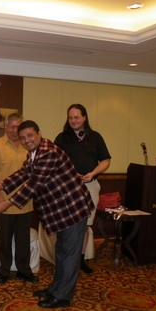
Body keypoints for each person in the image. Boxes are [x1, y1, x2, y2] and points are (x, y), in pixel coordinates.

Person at [0, 120, 94, 309]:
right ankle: (55, 289)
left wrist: (6, 203)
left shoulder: (49, 153)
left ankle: (63, 296)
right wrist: (0, 185)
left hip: (73, 209)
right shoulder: (33, 154)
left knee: (68, 254)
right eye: (22, 138)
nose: (27, 140)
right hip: (62, 211)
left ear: (39, 133)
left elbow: (33, 184)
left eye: (30, 135)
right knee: (61, 252)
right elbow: (23, 173)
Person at [54, 104, 111, 273]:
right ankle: (65, 259)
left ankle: (80, 259)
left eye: (76, 117)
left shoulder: (95, 137)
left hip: (90, 186)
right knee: (67, 225)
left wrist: (92, 173)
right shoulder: (62, 138)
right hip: (67, 188)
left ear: (84, 117)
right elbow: (54, 161)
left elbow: (106, 160)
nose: (73, 121)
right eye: (70, 117)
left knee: (85, 225)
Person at [0, 113, 37, 284]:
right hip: (3, 202)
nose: (15, 130)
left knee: (23, 239)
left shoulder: (29, 145)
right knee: (4, 240)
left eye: (18, 126)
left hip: (25, 202)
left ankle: (24, 270)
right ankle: (4, 270)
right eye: (11, 126)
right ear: (5, 127)